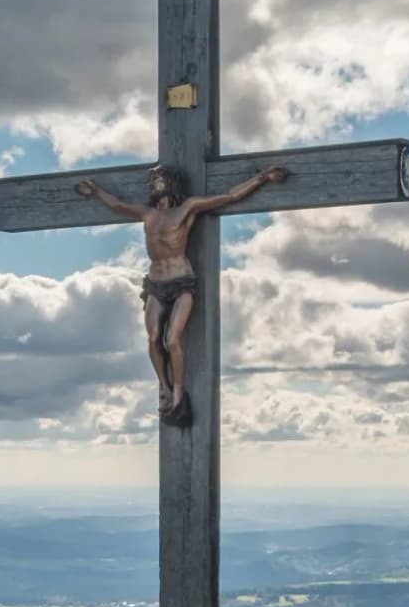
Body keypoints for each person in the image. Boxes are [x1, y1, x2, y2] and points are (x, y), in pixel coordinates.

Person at [77, 162, 287, 423]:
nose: (154, 183)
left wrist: (262, 178)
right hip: (155, 283)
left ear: (171, 183)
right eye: (152, 180)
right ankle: (164, 387)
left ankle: (178, 392)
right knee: (154, 338)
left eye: (159, 179)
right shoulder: (148, 214)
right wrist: (95, 191)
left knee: (172, 340)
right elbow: (118, 205)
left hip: (181, 282)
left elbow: (230, 196)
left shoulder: (187, 209)